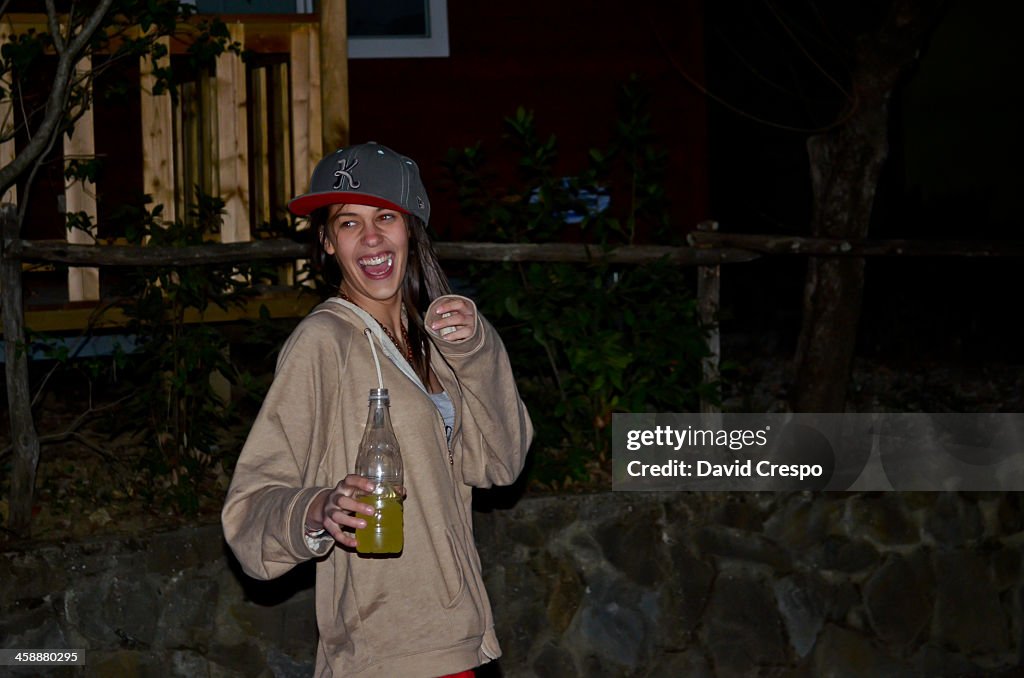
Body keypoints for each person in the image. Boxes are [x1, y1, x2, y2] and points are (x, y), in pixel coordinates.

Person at [222, 142, 533, 677]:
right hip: (386, 650)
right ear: (325, 241)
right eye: (348, 223)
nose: (370, 237)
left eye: (385, 216)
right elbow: (248, 514)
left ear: (410, 229)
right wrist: (318, 508)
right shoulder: (323, 342)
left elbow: (501, 465)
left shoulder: (435, 341)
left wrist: (476, 352)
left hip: (456, 639)